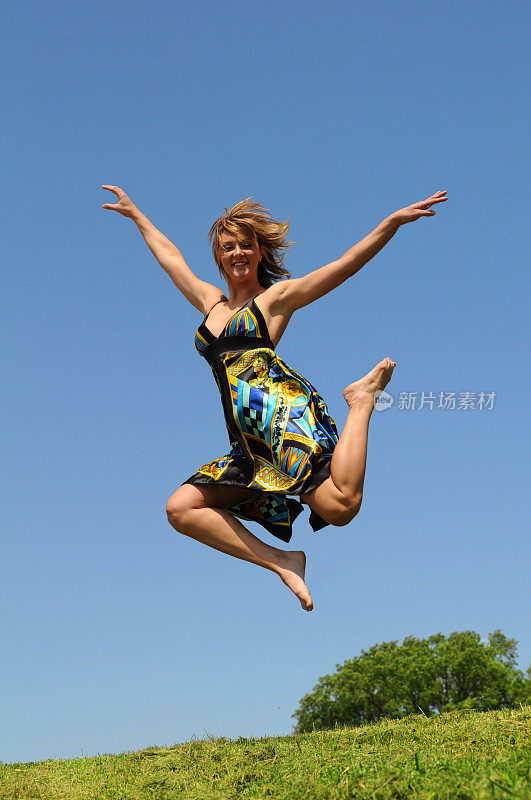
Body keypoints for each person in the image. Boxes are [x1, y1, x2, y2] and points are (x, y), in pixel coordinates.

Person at [102, 186, 447, 611]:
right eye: (228, 247)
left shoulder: (275, 300)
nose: (238, 253)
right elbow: (170, 257)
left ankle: (361, 400)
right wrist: (138, 216)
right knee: (181, 508)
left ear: (260, 252)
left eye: (246, 245)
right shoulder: (211, 304)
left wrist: (390, 224)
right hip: (249, 443)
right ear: (219, 256)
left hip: (284, 418)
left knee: (341, 506)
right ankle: (283, 561)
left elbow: (344, 265)